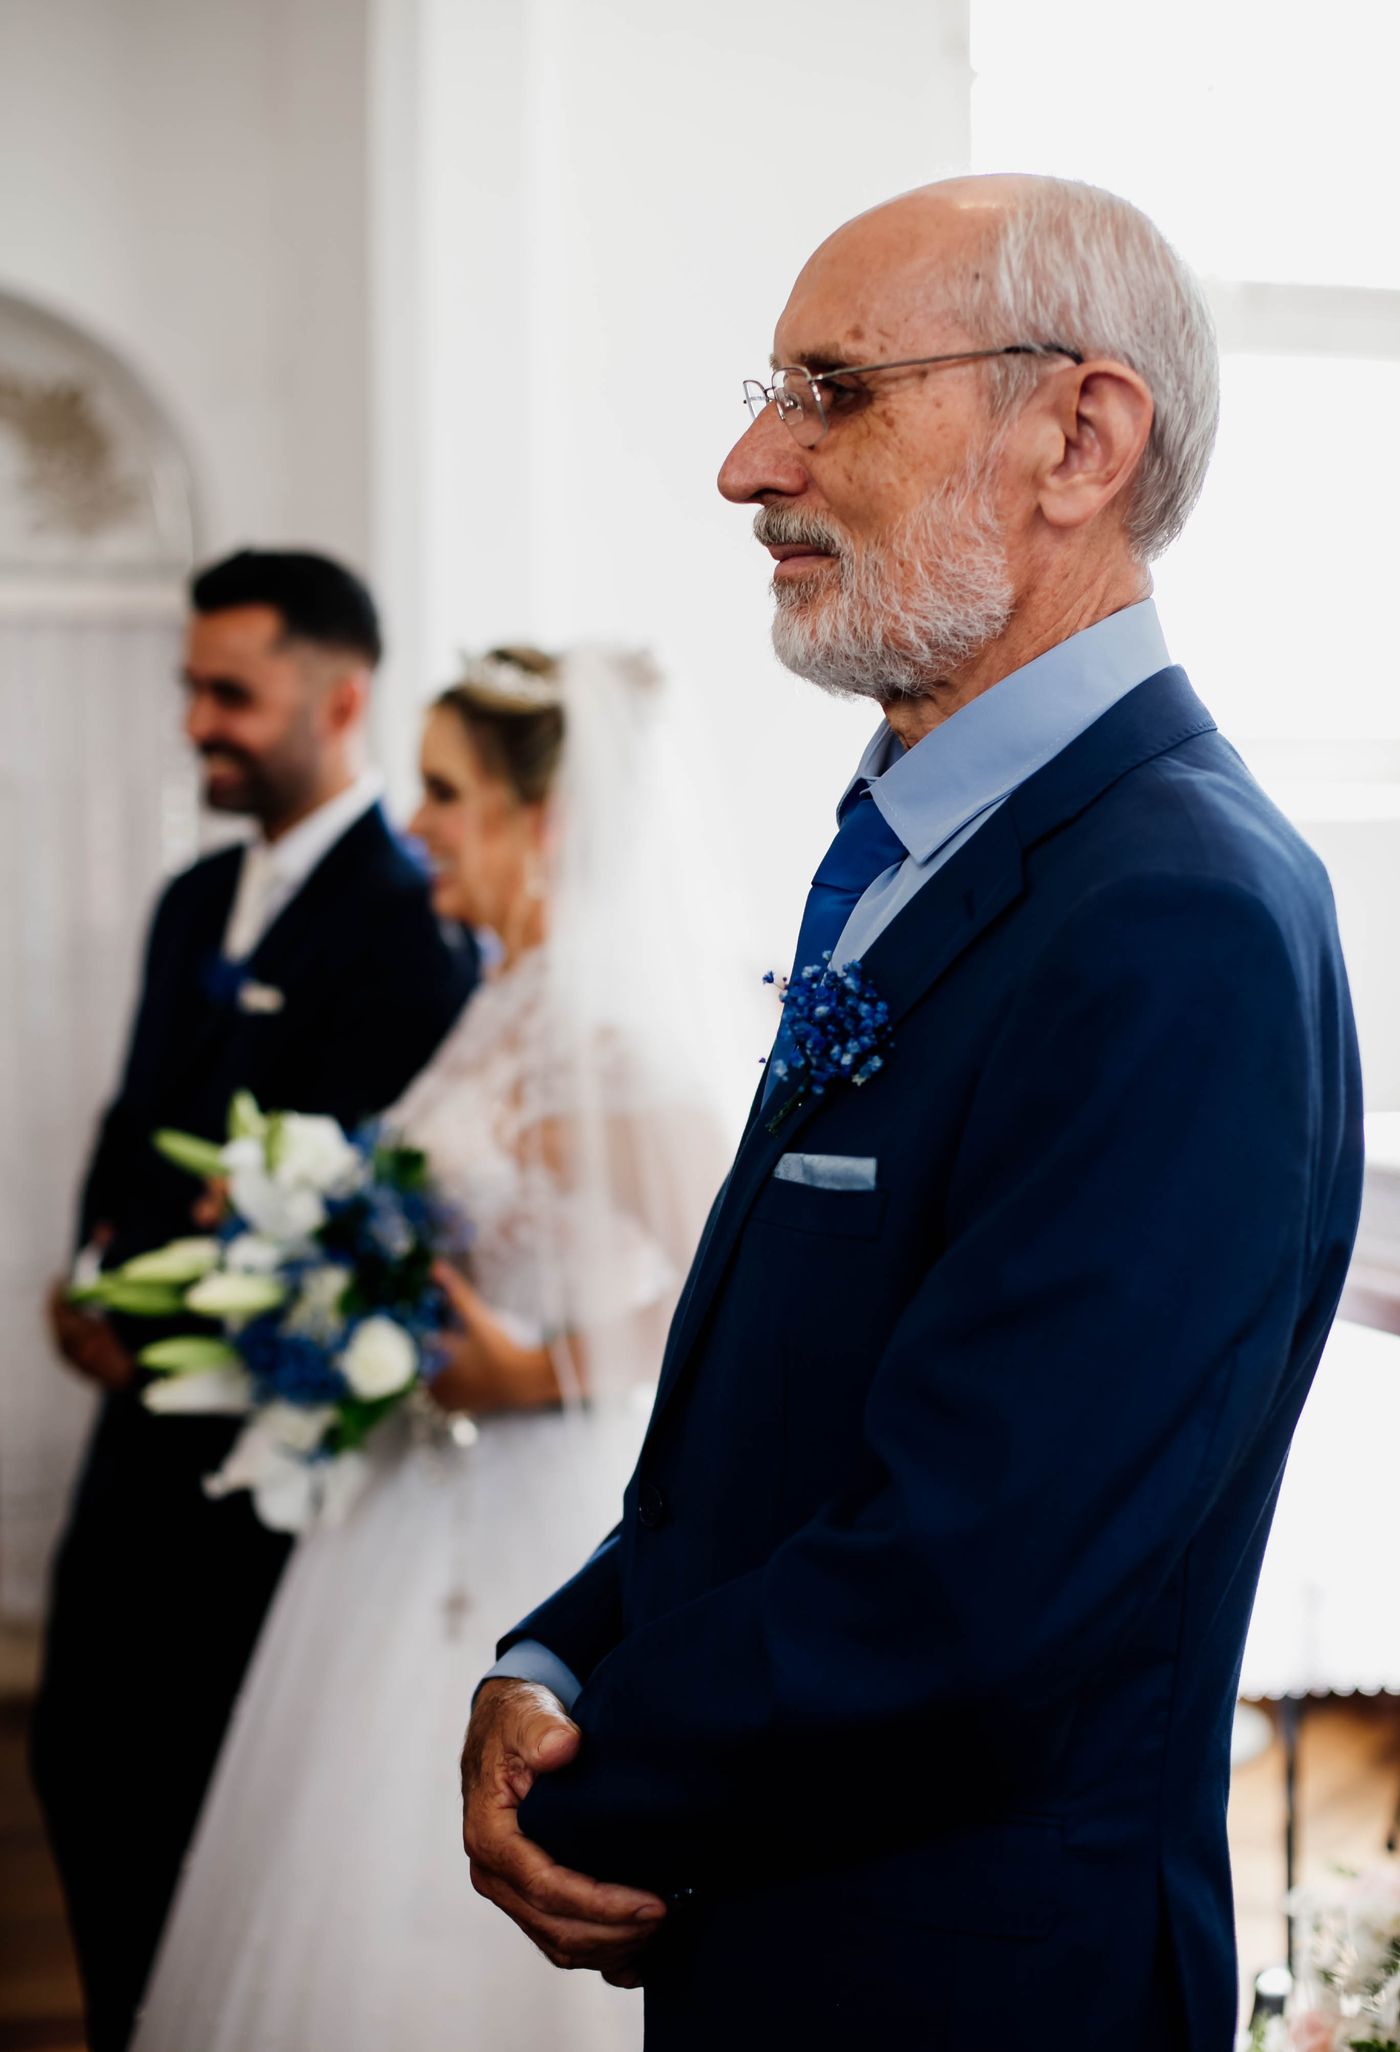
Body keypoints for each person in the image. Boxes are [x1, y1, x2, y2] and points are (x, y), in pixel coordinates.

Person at [461, 176, 1365, 2050]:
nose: (746, 466)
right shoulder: (925, 845)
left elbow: (989, 1570)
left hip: (971, 1977)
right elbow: (784, 1432)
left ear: (1079, 440)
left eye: (834, 391)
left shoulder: (1176, 913)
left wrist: (596, 1769)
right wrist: (558, 1651)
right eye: (771, 393)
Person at [130, 647, 730, 2052]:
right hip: (410, 1499)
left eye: (447, 793)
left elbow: (726, 1288)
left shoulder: (598, 1036)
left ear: (543, 819)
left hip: (519, 1507)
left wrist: (535, 1368)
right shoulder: (504, 994)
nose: (416, 826)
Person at [31, 549, 478, 2052]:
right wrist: (89, 1284)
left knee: (207, 1814)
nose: (197, 723)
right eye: (190, 689)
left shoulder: (410, 924)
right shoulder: (190, 901)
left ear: (340, 700)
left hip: (268, 1480)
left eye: (230, 694)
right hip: (131, 1448)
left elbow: (373, 1216)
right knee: (81, 1766)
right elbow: (132, 1122)